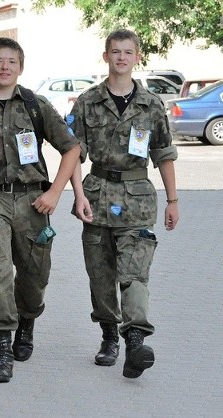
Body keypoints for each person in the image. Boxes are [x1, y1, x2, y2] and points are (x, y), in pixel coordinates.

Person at [0, 37, 81, 383]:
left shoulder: (36, 105)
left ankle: (27, 321)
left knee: (34, 277)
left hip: (33, 202)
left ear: (21, 67)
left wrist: (56, 194)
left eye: (11, 62)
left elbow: (72, 149)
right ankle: (2, 350)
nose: (4, 67)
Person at [68, 29, 178, 379]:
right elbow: (74, 153)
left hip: (137, 201)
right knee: (100, 278)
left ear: (137, 57)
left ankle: (134, 341)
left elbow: (163, 154)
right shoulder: (87, 102)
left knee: (134, 274)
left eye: (127, 52)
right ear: (106, 56)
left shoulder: (151, 104)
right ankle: (108, 336)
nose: (121, 58)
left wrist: (173, 200)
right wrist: (77, 195)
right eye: (115, 51)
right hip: (97, 197)